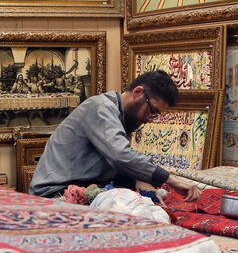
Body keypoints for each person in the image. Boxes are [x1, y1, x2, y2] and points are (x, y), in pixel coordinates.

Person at [29, 70, 201, 200]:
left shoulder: (122, 117)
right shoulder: (101, 108)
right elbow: (121, 155)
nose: (149, 119)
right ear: (138, 92)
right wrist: (171, 179)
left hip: (83, 188)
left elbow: (115, 163)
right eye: (152, 111)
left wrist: (136, 179)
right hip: (54, 195)